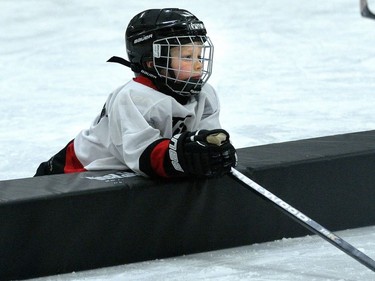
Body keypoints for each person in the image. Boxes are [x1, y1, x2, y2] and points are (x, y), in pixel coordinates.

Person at [35, 8, 237, 178]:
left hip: (120, 176)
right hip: (71, 172)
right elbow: (140, 155)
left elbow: (206, 138)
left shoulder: (204, 95)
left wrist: (215, 149)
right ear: (152, 62)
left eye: (199, 54)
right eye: (186, 56)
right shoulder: (134, 97)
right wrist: (183, 155)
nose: (198, 64)